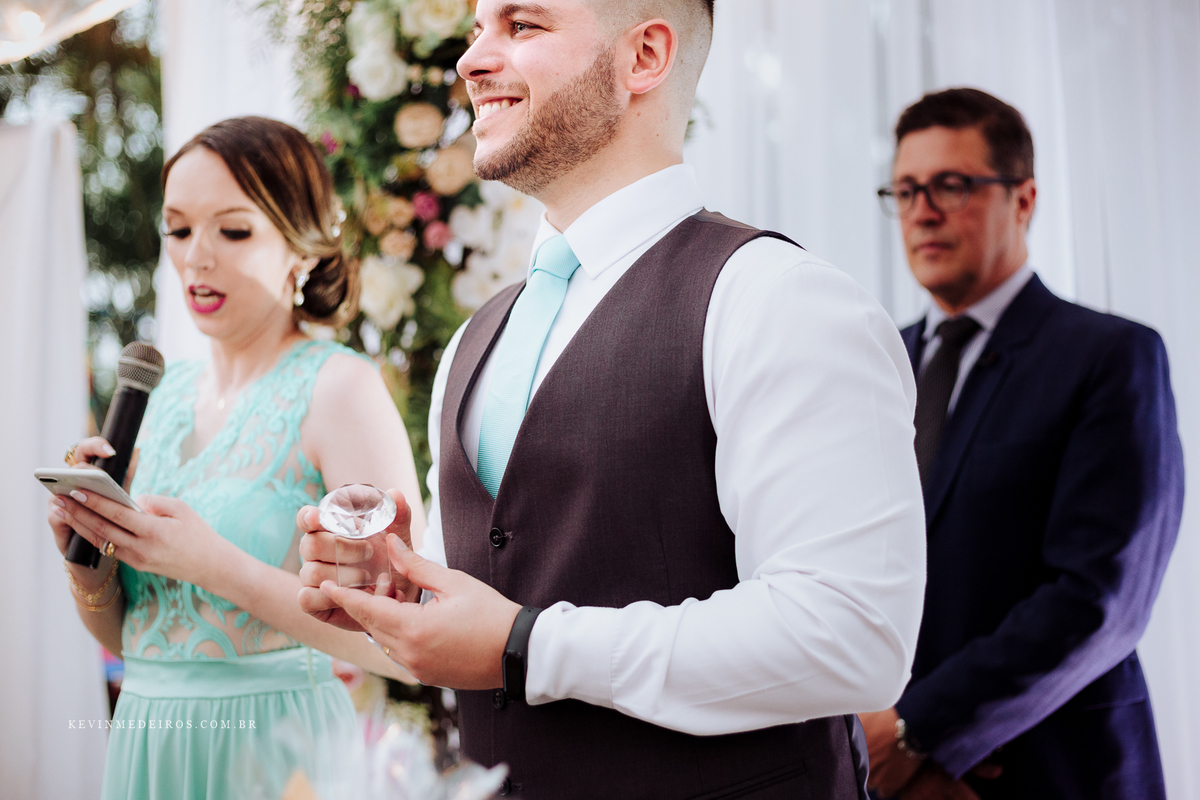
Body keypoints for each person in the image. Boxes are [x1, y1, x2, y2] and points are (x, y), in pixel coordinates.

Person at [297, 2, 927, 797]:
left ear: (646, 56)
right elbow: (501, 589)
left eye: (522, 27)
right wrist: (400, 590)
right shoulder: (474, 341)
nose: (471, 61)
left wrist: (530, 647)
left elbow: (854, 636)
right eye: (475, 30)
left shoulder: (778, 300)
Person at [49, 116, 427, 800]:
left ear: (301, 245)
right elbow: (134, 636)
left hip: (277, 754)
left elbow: (409, 644)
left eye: (232, 230)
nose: (197, 257)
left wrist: (208, 562)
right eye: (179, 229)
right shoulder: (161, 400)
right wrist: (90, 555)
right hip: (146, 745)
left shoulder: (340, 389)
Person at [860, 88, 1183, 800]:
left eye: (952, 184)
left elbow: (1100, 598)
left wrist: (918, 732)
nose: (924, 210)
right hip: (883, 774)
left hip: (1056, 770)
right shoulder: (873, 369)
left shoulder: (1111, 356)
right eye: (907, 189)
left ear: (1025, 198)